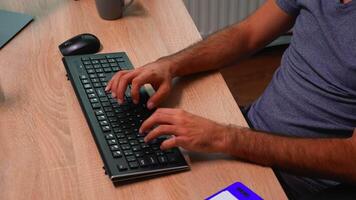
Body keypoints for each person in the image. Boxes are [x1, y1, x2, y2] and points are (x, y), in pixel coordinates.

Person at [106, 0, 356, 198]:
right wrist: (170, 65)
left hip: (296, 183)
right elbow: (247, 34)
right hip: (248, 135)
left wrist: (225, 137)